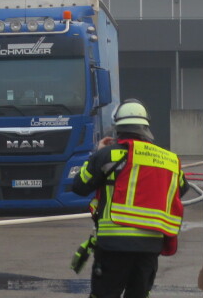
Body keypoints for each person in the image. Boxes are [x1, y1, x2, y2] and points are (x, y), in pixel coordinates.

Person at [71, 99, 187, 298]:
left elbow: (80, 187)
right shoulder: (169, 159)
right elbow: (180, 189)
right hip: (150, 246)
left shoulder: (108, 155)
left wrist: (97, 154)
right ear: (146, 127)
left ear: (118, 128)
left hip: (113, 244)